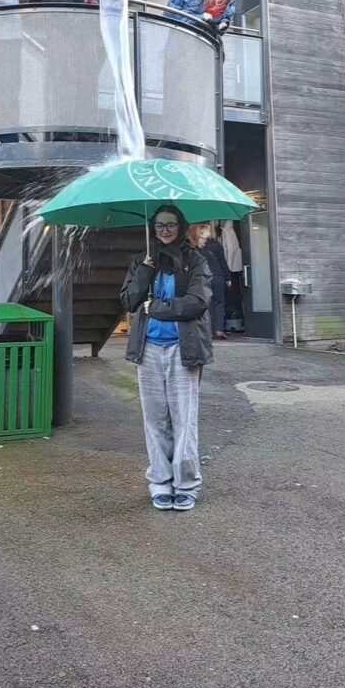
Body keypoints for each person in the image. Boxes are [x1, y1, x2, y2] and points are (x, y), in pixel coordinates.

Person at [121, 205, 213, 511]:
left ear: (181, 225)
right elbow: (129, 301)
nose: (165, 231)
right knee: (155, 419)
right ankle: (160, 481)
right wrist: (145, 272)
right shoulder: (142, 260)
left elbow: (196, 303)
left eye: (171, 224)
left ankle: (186, 483)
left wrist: (156, 307)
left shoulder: (194, 260)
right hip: (148, 349)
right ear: (153, 228)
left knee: (184, 419)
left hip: (182, 349)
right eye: (159, 226)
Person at [190, 223, 232, 340]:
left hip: (204, 277)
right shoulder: (216, 245)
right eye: (208, 231)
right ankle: (219, 329)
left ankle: (208, 330)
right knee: (219, 303)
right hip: (218, 276)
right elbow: (223, 262)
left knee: (208, 304)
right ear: (203, 234)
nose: (211, 232)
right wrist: (228, 277)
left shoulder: (194, 249)